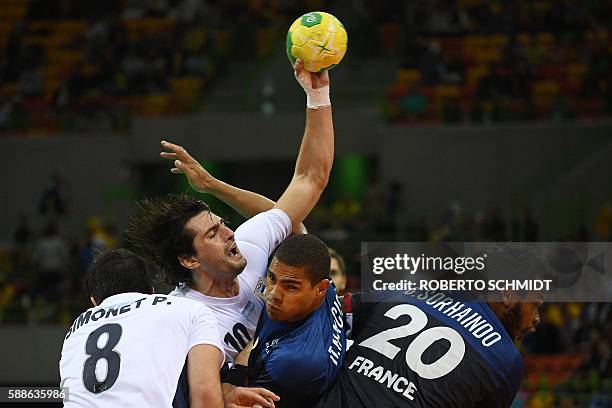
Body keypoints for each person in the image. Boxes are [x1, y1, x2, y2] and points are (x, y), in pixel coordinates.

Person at [126, 58, 334, 363]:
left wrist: (318, 96)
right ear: (189, 259)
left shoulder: (248, 245)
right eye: (213, 233)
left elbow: (309, 179)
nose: (229, 233)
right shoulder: (179, 319)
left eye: (222, 224)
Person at [316, 244, 545, 408]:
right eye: (534, 305)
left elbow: (323, 311)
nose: (536, 319)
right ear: (508, 294)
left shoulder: (404, 292)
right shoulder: (505, 360)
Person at [59, 248, 279, 408]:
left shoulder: (74, 332)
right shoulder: (188, 309)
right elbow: (205, 399)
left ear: (94, 301)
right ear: (152, 291)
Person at [237, 234, 346, 408]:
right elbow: (296, 224)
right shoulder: (315, 275)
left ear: (321, 289)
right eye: (272, 278)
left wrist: (236, 371)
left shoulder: (294, 362)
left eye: (290, 287)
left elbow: (242, 403)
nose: (273, 295)